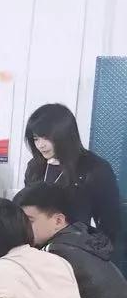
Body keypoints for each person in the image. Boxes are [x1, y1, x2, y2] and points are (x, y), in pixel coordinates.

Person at [14, 182, 127, 298]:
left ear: (58, 220)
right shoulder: (82, 239)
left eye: (29, 221)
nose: (21, 228)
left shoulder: (56, 253)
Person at [24, 103, 120, 244]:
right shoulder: (35, 167)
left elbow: (110, 222)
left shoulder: (95, 168)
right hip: (35, 246)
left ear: (64, 135)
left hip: (75, 247)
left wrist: (94, 251)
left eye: (46, 138)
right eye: (36, 138)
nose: (40, 145)